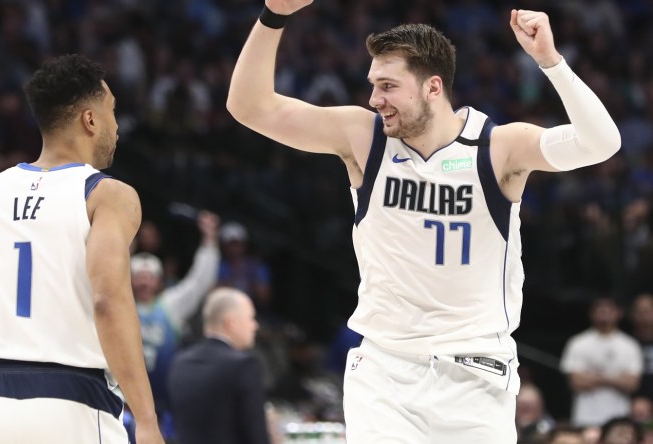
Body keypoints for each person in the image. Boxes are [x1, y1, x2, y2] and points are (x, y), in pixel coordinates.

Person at [226, 2, 622, 442]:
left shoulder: (498, 147)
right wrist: (273, 15)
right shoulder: (363, 137)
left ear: (433, 87)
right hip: (385, 372)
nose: (375, 99)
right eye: (374, 85)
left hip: (476, 375)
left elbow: (601, 143)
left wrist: (551, 61)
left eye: (388, 86)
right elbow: (249, 107)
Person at [0, 54, 164, 443]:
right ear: (90, 120)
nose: (118, 126)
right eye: (111, 111)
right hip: (72, 401)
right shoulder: (107, 195)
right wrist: (145, 419)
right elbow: (108, 300)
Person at [128, 210, 219, 436]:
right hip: (124, 395)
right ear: (129, 280)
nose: (144, 282)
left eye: (149, 277)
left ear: (159, 281)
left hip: (164, 396)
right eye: (139, 276)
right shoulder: (121, 304)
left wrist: (209, 240)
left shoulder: (171, 304)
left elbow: (199, 281)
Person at [167, 287, 270, 444]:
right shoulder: (244, 366)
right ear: (231, 323)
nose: (255, 326)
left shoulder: (180, 363)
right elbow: (256, 435)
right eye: (251, 318)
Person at [561, 298, 643, 427]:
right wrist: (616, 378)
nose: (604, 314)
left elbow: (632, 384)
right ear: (592, 314)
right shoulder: (578, 343)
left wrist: (594, 377)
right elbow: (575, 382)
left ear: (619, 313)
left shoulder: (630, 345)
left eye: (609, 310)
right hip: (585, 416)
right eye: (600, 310)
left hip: (619, 416)